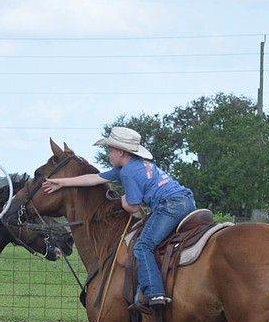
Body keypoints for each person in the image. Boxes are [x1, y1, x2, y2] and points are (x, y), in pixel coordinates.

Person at [42, 126, 196, 311]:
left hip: (169, 206)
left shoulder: (127, 172)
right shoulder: (136, 165)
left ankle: (154, 293)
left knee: (143, 245)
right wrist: (61, 182)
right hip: (185, 200)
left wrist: (123, 200)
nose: (108, 154)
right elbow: (94, 178)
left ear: (121, 152)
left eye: (111, 150)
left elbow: (131, 206)